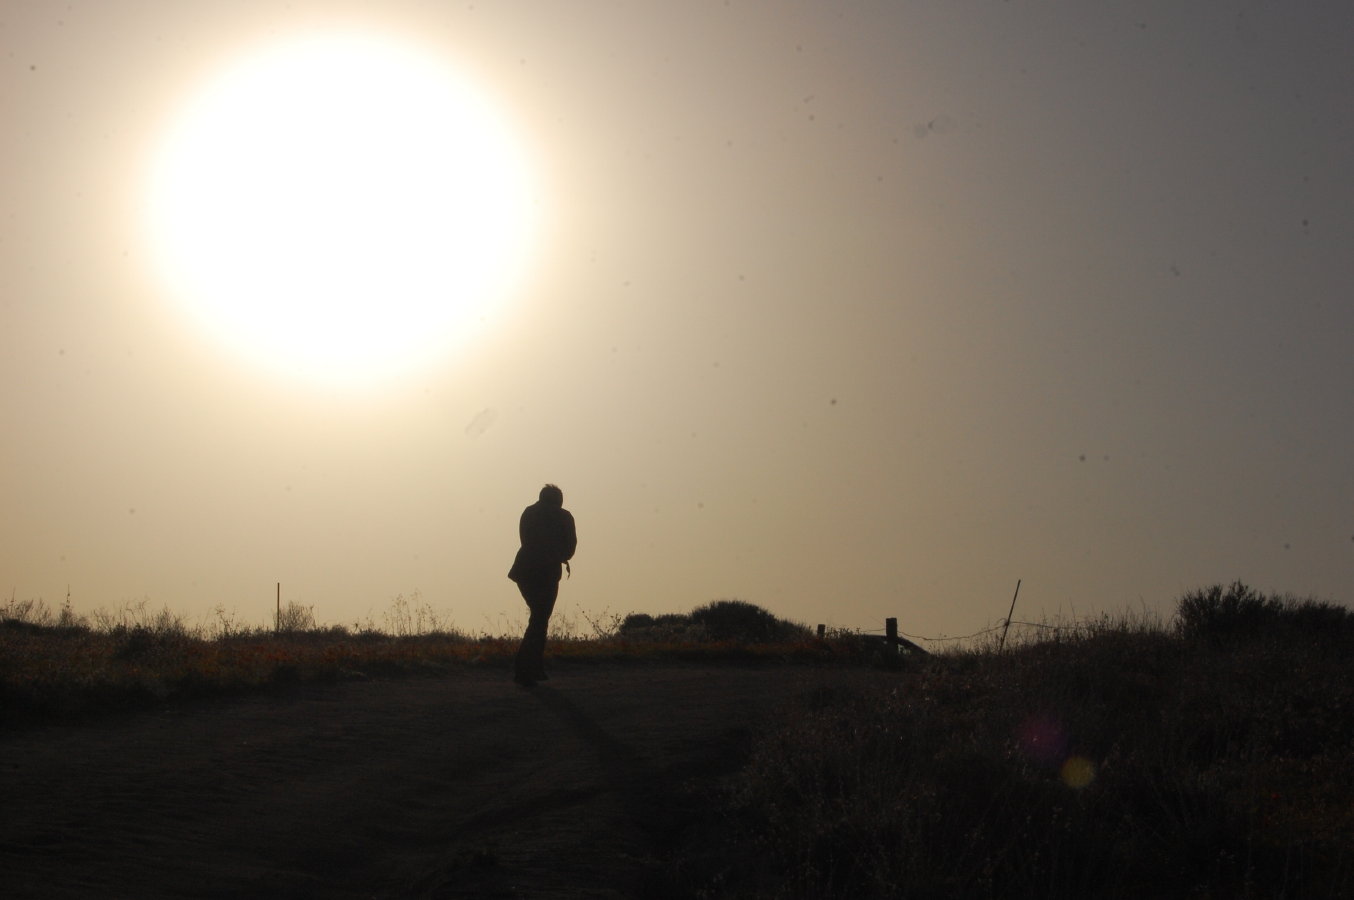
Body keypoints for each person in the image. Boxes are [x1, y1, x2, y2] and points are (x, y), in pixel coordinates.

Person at [507, 484, 577, 686]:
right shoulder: (564, 516)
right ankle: (525, 668)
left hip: (524, 570)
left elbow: (524, 540)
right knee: (540, 619)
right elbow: (570, 547)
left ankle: (534, 668)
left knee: (538, 617)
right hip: (547, 572)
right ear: (559, 500)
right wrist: (558, 556)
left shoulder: (528, 512)